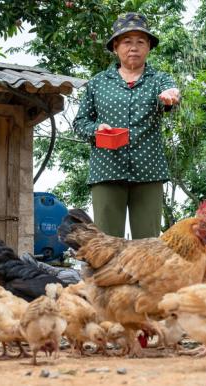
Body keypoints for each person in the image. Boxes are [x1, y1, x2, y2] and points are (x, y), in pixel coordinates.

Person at [73, 12, 180, 239]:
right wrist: (96, 130)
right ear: (115, 47)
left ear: (149, 47)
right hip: (106, 170)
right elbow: (80, 122)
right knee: (106, 245)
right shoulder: (98, 83)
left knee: (148, 244)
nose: (134, 47)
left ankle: (146, 276)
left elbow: (170, 93)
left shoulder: (159, 79)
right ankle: (108, 276)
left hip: (148, 171)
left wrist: (170, 96)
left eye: (140, 41)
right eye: (127, 41)